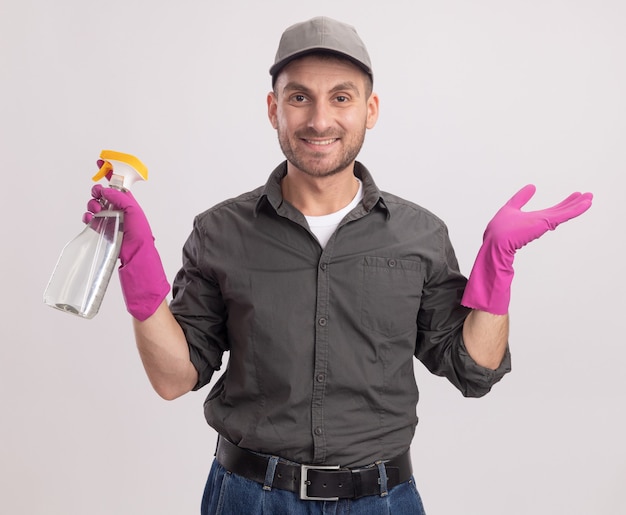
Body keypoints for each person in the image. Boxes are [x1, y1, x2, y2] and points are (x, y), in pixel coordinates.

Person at [85, 16, 593, 515]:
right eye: (299, 97)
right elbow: (174, 378)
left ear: (370, 109)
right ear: (273, 109)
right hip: (247, 498)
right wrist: (137, 269)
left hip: (383, 501)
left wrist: (496, 268)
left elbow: (474, 370)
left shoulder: (420, 235)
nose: (320, 120)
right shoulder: (220, 232)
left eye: (341, 98)